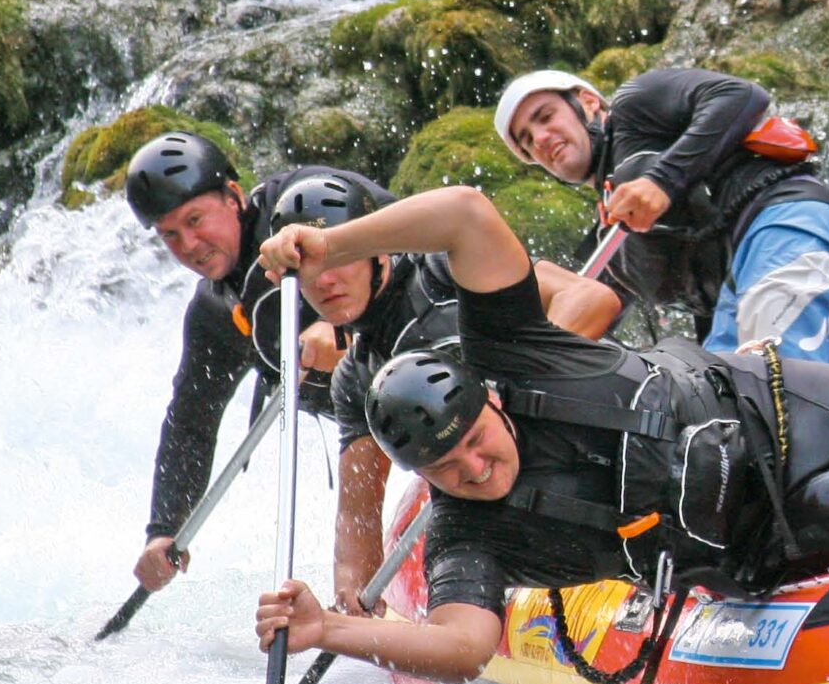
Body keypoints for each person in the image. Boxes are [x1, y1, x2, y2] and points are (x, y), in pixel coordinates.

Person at [250, 187, 829, 683]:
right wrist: (330, 629)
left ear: (491, 400)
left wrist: (333, 242)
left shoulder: (510, 346)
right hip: (775, 519)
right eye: (450, 468)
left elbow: (466, 215)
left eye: (475, 437)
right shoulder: (468, 534)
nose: (477, 466)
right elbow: (464, 645)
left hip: (789, 401)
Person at [259, 171, 621, 613]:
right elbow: (358, 513)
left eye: (338, 260)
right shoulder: (356, 378)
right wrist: (350, 604)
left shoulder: (447, 269)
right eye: (310, 275)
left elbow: (591, 299)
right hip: (518, 498)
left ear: (376, 250)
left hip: (602, 439)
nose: (326, 282)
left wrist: (510, 391)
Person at [123, 135, 371, 597]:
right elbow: (191, 425)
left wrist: (346, 335)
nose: (189, 245)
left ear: (234, 197)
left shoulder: (305, 203)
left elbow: (419, 255)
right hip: (374, 423)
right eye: (170, 234)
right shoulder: (215, 314)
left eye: (195, 220)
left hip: (443, 373)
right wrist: (164, 528)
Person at [493, 65, 829, 364]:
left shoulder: (636, 105)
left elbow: (742, 95)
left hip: (785, 223)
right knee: (724, 408)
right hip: (734, 288)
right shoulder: (612, 240)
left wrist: (663, 180)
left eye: (545, 117)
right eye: (527, 140)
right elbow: (588, 309)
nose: (540, 138)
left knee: (778, 391)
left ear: (588, 101)